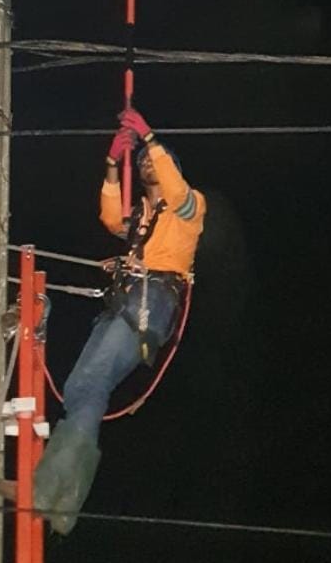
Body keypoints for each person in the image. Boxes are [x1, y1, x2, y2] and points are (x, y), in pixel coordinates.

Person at [30, 107, 206, 534]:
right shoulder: (142, 222)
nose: (146, 164)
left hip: (151, 301)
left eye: (155, 161)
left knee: (91, 384)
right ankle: (60, 502)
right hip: (127, 303)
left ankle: (49, 491)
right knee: (80, 388)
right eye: (141, 161)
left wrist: (150, 139)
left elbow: (179, 193)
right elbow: (111, 219)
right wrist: (112, 164)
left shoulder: (189, 207)